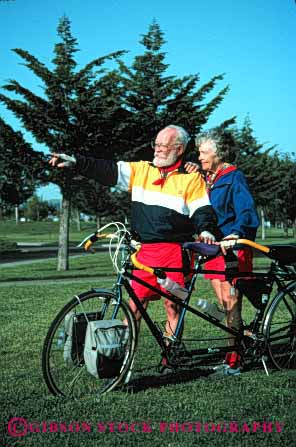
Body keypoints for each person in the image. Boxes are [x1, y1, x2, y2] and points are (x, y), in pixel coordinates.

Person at [49, 125, 220, 342]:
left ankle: (170, 357)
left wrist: (206, 229)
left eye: (163, 146)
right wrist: (76, 162)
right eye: (155, 144)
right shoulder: (142, 170)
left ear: (179, 149)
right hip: (144, 252)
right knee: (134, 307)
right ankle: (123, 359)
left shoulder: (191, 177)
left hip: (174, 253)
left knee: (172, 307)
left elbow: (201, 209)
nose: (157, 150)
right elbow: (107, 169)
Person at [186, 128, 259, 374]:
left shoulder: (233, 176)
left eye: (204, 152)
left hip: (232, 249)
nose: (200, 156)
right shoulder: (208, 177)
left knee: (231, 303)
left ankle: (234, 362)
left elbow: (246, 211)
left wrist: (236, 233)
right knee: (223, 305)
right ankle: (239, 344)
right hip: (213, 250)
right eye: (199, 151)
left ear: (220, 153)